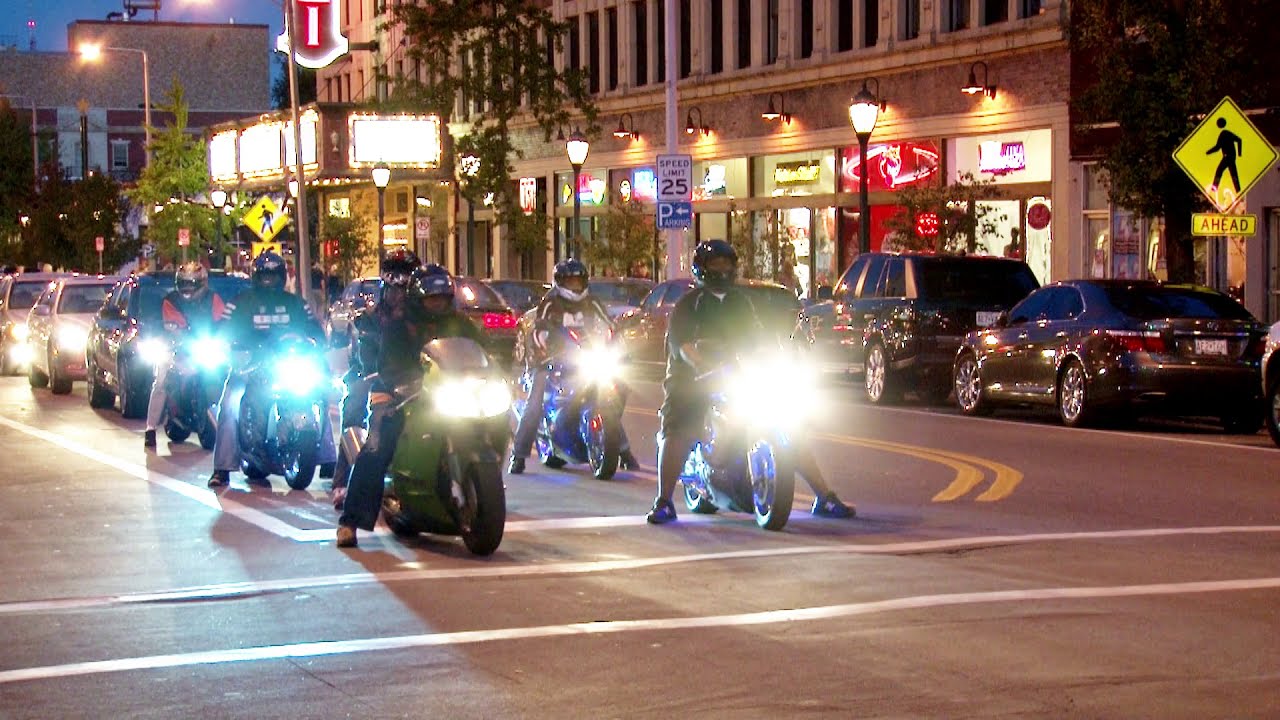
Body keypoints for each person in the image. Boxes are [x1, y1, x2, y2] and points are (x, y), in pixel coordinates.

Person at [646, 240, 852, 524]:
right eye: (715, 265)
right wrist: (702, 363)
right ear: (702, 270)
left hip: (736, 375)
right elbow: (684, 348)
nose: (722, 271)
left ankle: (824, 496)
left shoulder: (741, 302)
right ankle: (664, 501)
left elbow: (760, 338)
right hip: (692, 381)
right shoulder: (688, 305)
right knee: (679, 426)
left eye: (727, 265)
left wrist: (781, 357)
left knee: (788, 427)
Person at [335, 261, 488, 547]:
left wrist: (493, 374)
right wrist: (405, 382)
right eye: (431, 297)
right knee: (378, 444)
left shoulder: (460, 323)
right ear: (418, 297)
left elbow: (481, 353)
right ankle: (350, 521)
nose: (437, 303)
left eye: (442, 298)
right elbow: (387, 365)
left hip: (447, 392)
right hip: (397, 392)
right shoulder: (399, 323)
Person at [207, 250, 335, 488]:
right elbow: (222, 329)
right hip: (250, 366)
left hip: (286, 363)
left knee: (318, 394)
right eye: (265, 276)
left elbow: (314, 329)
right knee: (230, 403)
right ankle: (222, 468)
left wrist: (317, 342)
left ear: (283, 276)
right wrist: (230, 345)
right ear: (256, 276)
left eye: (274, 276)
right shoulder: (240, 302)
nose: (269, 281)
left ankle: (328, 458)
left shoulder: (296, 303)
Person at [508, 258, 640, 474]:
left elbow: (609, 325)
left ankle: (623, 451)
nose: (575, 287)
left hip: (585, 356)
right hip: (550, 359)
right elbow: (540, 327)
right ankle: (519, 454)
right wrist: (543, 347)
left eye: (578, 282)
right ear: (560, 283)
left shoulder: (592, 302)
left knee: (607, 396)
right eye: (570, 282)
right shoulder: (551, 303)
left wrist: (621, 349)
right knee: (535, 403)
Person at [144, 263, 227, 449]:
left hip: (204, 346)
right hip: (176, 347)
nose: (188, 288)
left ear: (202, 283)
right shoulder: (171, 301)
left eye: (192, 284)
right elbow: (174, 326)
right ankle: (150, 429)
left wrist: (228, 337)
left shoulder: (213, 299)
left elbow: (223, 321)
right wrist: (179, 335)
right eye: (183, 284)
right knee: (161, 380)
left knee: (228, 373)